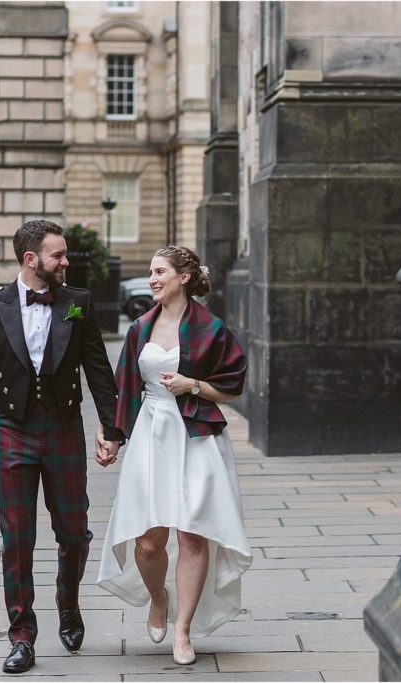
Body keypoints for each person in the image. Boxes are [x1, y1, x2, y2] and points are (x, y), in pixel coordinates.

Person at [0, 220, 124, 674]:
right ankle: (22, 636)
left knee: (73, 531)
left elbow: (99, 371)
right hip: (12, 429)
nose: (66, 262)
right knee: (17, 538)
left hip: (64, 428)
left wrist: (112, 430)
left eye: (65, 254)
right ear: (31, 260)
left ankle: (67, 603)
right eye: (58, 255)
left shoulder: (78, 304)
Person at [96, 245, 252, 666]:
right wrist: (112, 435)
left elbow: (233, 387)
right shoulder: (140, 327)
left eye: (160, 271)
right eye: (150, 272)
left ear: (183, 277)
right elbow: (124, 386)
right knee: (148, 542)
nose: (152, 278)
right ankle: (158, 598)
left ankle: (183, 631)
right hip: (151, 433)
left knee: (191, 534)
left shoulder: (212, 328)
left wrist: (193, 385)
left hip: (196, 436)